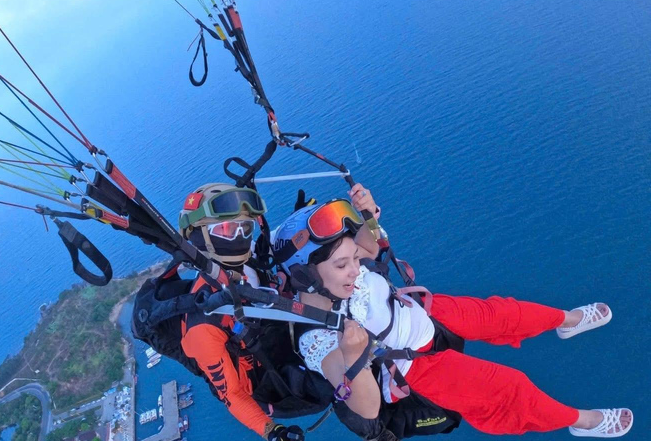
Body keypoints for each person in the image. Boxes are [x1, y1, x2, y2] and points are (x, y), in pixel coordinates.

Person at [271, 184, 633, 439]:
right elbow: (366, 409)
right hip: (416, 367)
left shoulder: (340, 269)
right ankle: (582, 421)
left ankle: (566, 321)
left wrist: (368, 213)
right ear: (306, 276)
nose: (355, 268)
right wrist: (353, 356)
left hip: (424, 315)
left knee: (506, 313)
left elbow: (370, 245)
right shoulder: (318, 338)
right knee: (510, 389)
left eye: (353, 260)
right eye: (342, 265)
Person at [177, 183, 315, 441]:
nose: (240, 237)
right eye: (228, 229)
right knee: (324, 389)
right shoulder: (203, 324)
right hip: (269, 379)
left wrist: (305, 224)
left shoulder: (250, 259)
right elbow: (232, 394)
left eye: (245, 228)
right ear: (200, 237)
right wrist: (272, 432)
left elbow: (280, 245)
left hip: (282, 337)